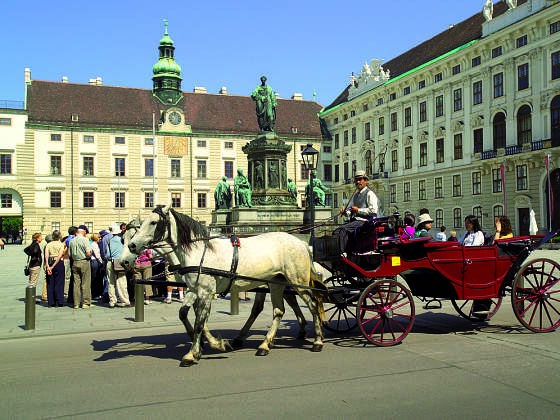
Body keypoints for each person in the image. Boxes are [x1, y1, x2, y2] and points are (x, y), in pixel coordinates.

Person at [335, 170, 379, 252]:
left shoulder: (370, 194)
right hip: (355, 221)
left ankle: (342, 252)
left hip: (365, 222)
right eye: (356, 180)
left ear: (365, 180)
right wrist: (345, 212)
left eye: (360, 179)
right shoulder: (355, 195)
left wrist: (358, 210)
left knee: (343, 230)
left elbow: (373, 211)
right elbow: (351, 209)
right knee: (337, 231)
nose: (357, 182)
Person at [67, 225, 93, 309]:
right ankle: (86, 302)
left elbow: (69, 254)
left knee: (76, 283)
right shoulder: (85, 240)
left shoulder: (72, 241)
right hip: (84, 261)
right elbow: (88, 253)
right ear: (84, 232)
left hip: (75, 262)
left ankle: (76, 303)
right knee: (85, 283)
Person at [106, 228, 130, 307]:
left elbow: (107, 255)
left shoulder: (109, 241)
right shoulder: (123, 241)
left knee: (111, 282)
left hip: (111, 262)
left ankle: (112, 301)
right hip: (121, 262)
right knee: (122, 282)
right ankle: (125, 300)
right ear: (119, 233)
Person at [44, 230, 65, 307]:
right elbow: (60, 256)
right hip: (58, 263)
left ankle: (51, 301)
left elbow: (46, 255)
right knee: (59, 282)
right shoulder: (61, 245)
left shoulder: (48, 245)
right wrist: (54, 266)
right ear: (59, 236)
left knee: (50, 283)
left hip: (50, 262)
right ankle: (59, 300)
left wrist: (48, 266)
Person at [90, 233, 104, 299]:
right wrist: (101, 262)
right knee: (95, 278)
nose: (100, 239)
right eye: (98, 237)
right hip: (95, 261)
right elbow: (97, 255)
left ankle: (94, 293)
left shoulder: (92, 244)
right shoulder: (95, 245)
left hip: (92, 261)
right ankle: (95, 294)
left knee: (94, 278)